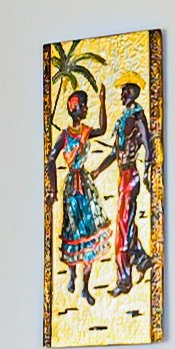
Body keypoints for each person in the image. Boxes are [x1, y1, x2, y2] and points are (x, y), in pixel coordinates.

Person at [50, 82, 105, 302]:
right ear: (75, 108)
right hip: (72, 187)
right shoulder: (65, 135)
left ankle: (86, 286)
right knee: (73, 231)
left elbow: (102, 129)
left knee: (89, 231)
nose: (86, 109)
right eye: (84, 105)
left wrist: (103, 103)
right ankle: (72, 275)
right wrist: (52, 189)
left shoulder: (85, 132)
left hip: (86, 186)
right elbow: (51, 159)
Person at [106, 73, 155, 292]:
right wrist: (98, 169)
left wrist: (148, 167)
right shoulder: (124, 118)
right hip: (122, 176)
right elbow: (116, 151)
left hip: (130, 175)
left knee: (123, 227)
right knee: (126, 222)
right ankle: (141, 259)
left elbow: (147, 141)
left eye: (126, 90)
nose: (122, 94)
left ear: (134, 92)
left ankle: (124, 279)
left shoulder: (136, 116)